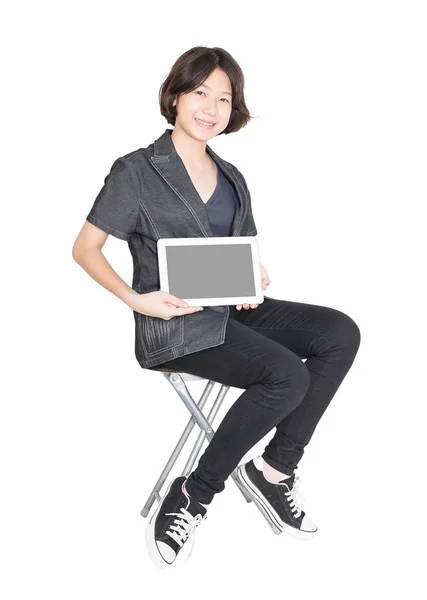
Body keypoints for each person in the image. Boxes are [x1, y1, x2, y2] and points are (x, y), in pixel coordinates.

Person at [72, 46, 361, 570]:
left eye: (224, 98)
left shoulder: (232, 176)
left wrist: (254, 274)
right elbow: (84, 249)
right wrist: (137, 300)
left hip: (231, 312)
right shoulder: (136, 170)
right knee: (285, 377)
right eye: (200, 92)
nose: (211, 107)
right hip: (175, 323)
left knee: (339, 332)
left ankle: (274, 471)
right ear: (177, 96)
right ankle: (195, 493)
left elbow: (238, 253)